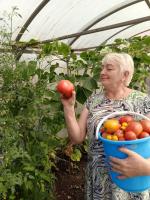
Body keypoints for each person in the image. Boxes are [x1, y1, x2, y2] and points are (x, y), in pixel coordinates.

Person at [60, 52, 150, 200]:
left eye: (109, 68)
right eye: (102, 68)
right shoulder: (94, 99)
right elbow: (77, 138)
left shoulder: (143, 101)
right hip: (99, 179)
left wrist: (146, 167)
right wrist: (69, 108)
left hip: (131, 176)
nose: (102, 72)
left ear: (124, 75)